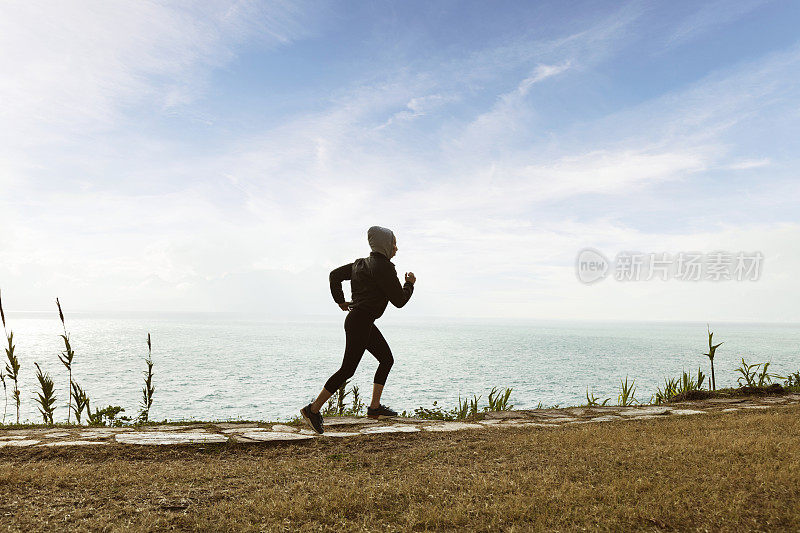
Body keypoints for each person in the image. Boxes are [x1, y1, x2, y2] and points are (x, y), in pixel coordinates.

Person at [300, 226, 416, 434]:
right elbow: (399, 300)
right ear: (385, 245)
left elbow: (334, 276)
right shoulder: (385, 267)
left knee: (386, 359)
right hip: (360, 322)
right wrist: (409, 284)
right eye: (394, 244)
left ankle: (374, 408)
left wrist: (340, 301)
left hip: (360, 320)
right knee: (347, 369)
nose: (396, 248)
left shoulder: (359, 265)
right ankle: (313, 410)